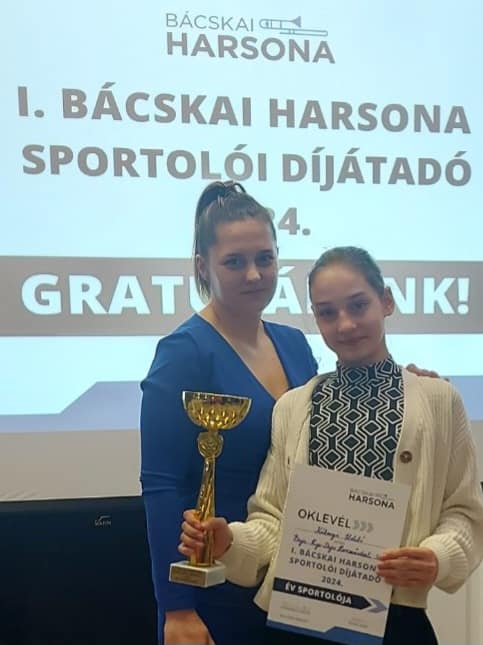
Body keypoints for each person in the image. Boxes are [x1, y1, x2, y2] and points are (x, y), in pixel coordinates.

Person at [179, 246, 483, 645]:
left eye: (358, 305)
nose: (345, 324)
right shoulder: (293, 407)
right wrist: (231, 543)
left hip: (395, 624)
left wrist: (437, 557)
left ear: (386, 301)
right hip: (296, 622)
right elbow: (272, 521)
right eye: (327, 312)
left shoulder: (438, 400)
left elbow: (463, 510)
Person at [140, 180, 319, 645]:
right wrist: (177, 608)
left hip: (296, 579)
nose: (254, 274)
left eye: (265, 258)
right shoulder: (183, 352)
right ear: (203, 266)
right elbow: (161, 484)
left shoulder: (295, 344)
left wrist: (406, 382)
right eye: (234, 262)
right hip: (214, 587)